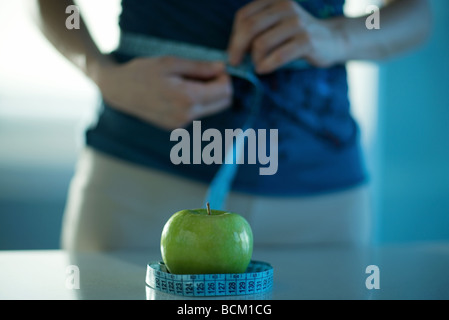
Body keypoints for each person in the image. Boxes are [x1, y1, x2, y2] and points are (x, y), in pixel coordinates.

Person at [33, 0, 431, 251]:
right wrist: (103, 73)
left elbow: (417, 12)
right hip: (139, 185)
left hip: (320, 208)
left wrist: (340, 36)